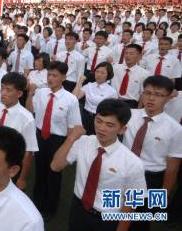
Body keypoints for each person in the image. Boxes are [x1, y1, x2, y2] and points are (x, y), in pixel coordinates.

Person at [51, 99, 147, 231]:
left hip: (107, 219)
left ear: (122, 129)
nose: (101, 128)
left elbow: (131, 204)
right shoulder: (84, 142)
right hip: (78, 209)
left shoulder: (133, 163)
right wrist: (71, 138)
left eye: (109, 125)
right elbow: (56, 166)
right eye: (99, 120)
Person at [122, 75, 182, 231]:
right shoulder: (128, 115)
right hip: (122, 171)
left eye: (158, 95)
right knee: (114, 211)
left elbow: (172, 167)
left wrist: (163, 194)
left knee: (139, 220)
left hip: (149, 178)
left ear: (168, 98)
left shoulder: (175, 129)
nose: (151, 98)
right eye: (147, 93)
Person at [26, 61, 82, 220]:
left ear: (63, 77)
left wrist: (66, 146)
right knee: (39, 172)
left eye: (55, 75)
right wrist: (30, 93)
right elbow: (30, 110)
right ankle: (36, 202)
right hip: (40, 137)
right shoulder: (41, 93)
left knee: (54, 175)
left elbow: (73, 127)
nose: (50, 78)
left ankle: (50, 209)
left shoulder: (71, 99)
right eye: (49, 74)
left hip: (57, 141)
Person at [72, 62, 118, 135]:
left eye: (102, 73)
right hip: (85, 117)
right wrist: (80, 82)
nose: (99, 75)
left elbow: (113, 111)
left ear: (108, 75)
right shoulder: (89, 85)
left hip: (100, 120)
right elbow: (73, 98)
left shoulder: (112, 91)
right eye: (97, 72)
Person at [111, 44, 149, 109]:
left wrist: (138, 109)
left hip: (131, 104)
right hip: (113, 100)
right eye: (126, 53)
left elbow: (143, 93)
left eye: (131, 54)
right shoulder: (115, 68)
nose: (127, 56)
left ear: (139, 56)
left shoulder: (144, 74)